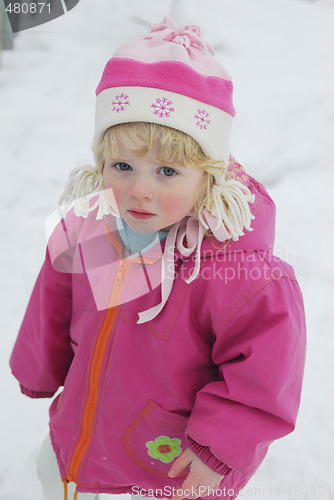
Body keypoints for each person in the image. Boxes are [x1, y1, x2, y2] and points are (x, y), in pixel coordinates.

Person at [9, 16, 306, 500]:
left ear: (207, 177)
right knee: (56, 480)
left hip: (171, 466)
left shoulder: (239, 272)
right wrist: (39, 369)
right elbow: (53, 303)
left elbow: (263, 376)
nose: (138, 190)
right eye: (122, 166)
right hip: (85, 436)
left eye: (167, 170)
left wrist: (218, 449)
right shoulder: (89, 228)